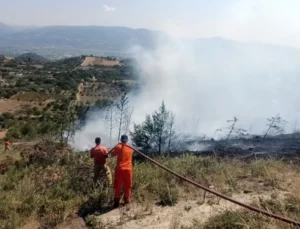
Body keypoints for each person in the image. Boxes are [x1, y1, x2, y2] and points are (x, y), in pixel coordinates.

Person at [111, 134, 134, 208]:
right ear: (127, 140)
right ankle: (127, 200)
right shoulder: (131, 148)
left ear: (121, 140)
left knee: (118, 185)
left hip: (120, 169)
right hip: (128, 169)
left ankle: (116, 201)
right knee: (128, 185)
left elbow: (112, 154)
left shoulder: (118, 146)